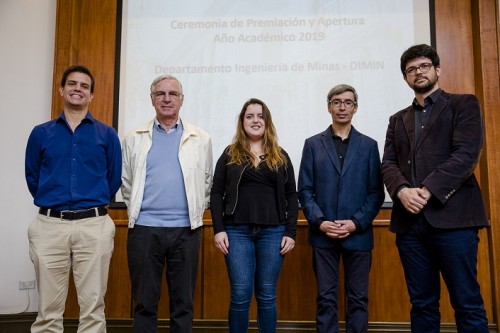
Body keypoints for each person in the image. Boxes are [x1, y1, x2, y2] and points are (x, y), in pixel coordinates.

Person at [381, 44, 489, 332]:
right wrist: (402, 190)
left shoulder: (464, 105)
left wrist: (426, 191)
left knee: (467, 303)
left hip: (453, 221)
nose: (418, 72)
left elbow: (466, 155)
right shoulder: (397, 119)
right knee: (422, 304)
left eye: (424, 66)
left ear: (437, 69)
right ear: (405, 78)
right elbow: (388, 164)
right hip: (409, 225)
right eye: (411, 69)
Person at [25, 65, 122, 333]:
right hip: (49, 227)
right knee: (48, 311)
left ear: (91, 95)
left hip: (94, 226)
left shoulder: (107, 134)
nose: (77, 88)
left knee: (93, 308)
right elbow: (33, 177)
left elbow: (113, 179)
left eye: (84, 86)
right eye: (72, 83)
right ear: (61, 90)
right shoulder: (41, 133)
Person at [121, 74, 213, 333]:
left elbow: (207, 180)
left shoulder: (201, 139)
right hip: (144, 231)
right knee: (144, 304)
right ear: (152, 100)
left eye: (173, 94)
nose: (167, 98)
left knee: (183, 304)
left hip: (186, 232)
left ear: (181, 100)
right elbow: (126, 182)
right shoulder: (133, 138)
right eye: (160, 94)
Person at [298, 84, 384, 333]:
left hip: (358, 235)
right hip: (322, 235)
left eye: (348, 102)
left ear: (355, 108)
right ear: (329, 107)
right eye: (336, 102)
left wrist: (356, 222)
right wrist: (320, 221)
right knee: (326, 299)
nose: (342, 107)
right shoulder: (313, 144)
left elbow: (375, 192)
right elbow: (305, 190)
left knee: (358, 300)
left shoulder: (369, 145)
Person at [210, 98, 298, 333]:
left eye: (260, 116)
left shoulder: (281, 156)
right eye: (250, 116)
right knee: (240, 294)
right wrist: (218, 229)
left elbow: (292, 195)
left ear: (267, 122)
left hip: (273, 232)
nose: (255, 120)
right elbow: (216, 192)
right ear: (242, 122)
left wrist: (290, 232)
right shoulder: (230, 154)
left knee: (267, 294)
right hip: (237, 232)